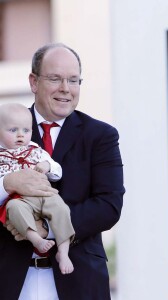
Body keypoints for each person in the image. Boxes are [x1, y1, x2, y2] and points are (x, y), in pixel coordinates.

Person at [0, 43, 125, 300]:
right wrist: (7, 183)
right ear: (34, 82)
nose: (65, 89)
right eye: (55, 78)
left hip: (78, 280)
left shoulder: (100, 135)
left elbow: (108, 206)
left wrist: (46, 228)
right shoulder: (4, 128)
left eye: (73, 80)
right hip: (9, 278)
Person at [0, 103, 75, 275]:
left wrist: (46, 165)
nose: (21, 135)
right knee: (14, 209)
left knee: (61, 208)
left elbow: (57, 171)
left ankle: (63, 252)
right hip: (19, 199)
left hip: (44, 195)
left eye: (26, 130)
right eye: (13, 130)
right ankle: (36, 239)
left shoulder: (35, 149)